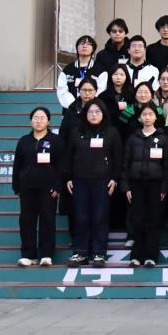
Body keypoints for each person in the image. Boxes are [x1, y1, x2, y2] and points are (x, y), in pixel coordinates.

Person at [62, 100, 121, 266]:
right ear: (85, 114)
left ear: (103, 113)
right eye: (90, 112)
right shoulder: (76, 132)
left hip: (103, 181)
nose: (94, 115)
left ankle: (98, 253)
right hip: (79, 181)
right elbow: (68, 157)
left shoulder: (111, 133)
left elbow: (118, 157)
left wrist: (114, 178)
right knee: (81, 216)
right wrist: (68, 178)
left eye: (97, 112)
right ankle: (80, 252)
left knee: (99, 216)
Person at [121, 103, 168, 267]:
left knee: (153, 219)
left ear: (156, 117)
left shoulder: (163, 138)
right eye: (144, 114)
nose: (147, 117)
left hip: (156, 184)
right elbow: (125, 164)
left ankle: (151, 256)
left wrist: (165, 187)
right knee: (137, 219)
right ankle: (136, 256)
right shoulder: (132, 138)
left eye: (150, 114)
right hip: (136, 184)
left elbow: (167, 165)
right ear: (140, 118)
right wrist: (126, 186)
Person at [12, 107, 60, 267]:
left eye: (42, 118)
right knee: (26, 220)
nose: (39, 121)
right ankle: (29, 255)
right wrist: (16, 186)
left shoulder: (55, 140)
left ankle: (46, 254)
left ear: (48, 121)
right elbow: (17, 164)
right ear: (31, 121)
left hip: (48, 188)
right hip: (27, 187)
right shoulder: (24, 141)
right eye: (35, 118)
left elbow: (61, 165)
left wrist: (57, 186)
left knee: (48, 219)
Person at [57, 35, 106, 109]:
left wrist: (87, 105)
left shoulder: (100, 70)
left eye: (88, 44)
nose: (85, 46)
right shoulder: (67, 69)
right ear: (77, 47)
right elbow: (62, 90)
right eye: (82, 43)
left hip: (91, 110)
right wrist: (75, 105)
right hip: (71, 109)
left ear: (93, 49)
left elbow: (100, 91)